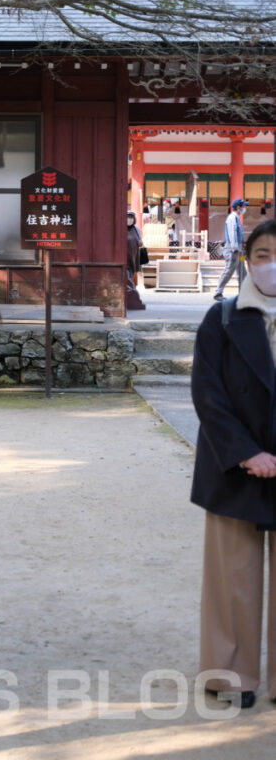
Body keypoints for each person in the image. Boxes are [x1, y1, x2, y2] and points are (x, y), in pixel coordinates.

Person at [191, 217, 276, 708]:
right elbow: (207, 393)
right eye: (261, 256)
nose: (270, 266)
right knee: (232, 580)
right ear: (246, 261)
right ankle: (231, 676)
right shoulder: (220, 319)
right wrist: (247, 452)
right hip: (233, 467)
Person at [213, 197, 248, 301]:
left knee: (242, 271)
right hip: (233, 250)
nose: (244, 208)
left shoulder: (236, 218)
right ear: (238, 207)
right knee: (229, 271)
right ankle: (218, 293)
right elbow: (232, 234)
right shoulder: (232, 218)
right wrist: (235, 249)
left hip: (239, 250)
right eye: (243, 206)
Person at [126, 210, 145, 310]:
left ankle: (132, 291)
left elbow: (141, 241)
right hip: (124, 256)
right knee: (126, 275)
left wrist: (140, 242)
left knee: (131, 274)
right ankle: (129, 292)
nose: (129, 219)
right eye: (127, 217)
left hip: (134, 255)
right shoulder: (122, 228)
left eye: (131, 217)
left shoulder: (136, 229)